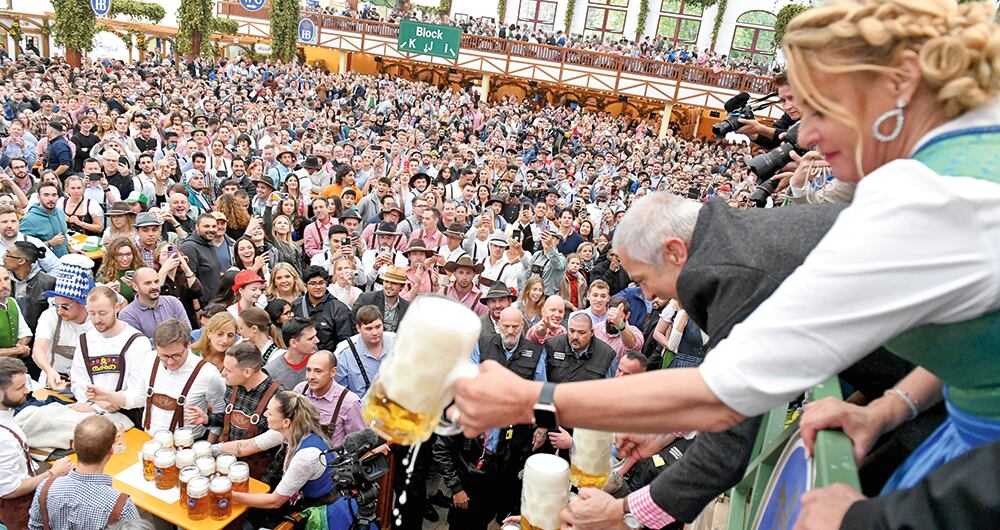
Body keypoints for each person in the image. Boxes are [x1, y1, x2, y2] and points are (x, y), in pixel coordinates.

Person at [215, 392, 372, 529]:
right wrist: (210, 450)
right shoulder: (290, 430)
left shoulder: (306, 457)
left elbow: (274, 501)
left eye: (269, 413)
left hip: (329, 513)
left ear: (286, 422)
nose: (264, 415)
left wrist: (228, 495)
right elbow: (245, 446)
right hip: (310, 501)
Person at [87, 318, 226, 439]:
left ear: (188, 344)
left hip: (189, 445)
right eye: (164, 356)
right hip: (150, 440)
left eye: (176, 355)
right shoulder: (149, 360)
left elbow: (221, 413)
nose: (170, 362)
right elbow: (137, 399)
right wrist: (107, 396)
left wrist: (209, 446)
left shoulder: (207, 373)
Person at [184, 342, 283, 480]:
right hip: (225, 467)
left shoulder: (278, 399)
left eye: (229, 370)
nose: (223, 373)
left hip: (255, 474)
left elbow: (283, 447)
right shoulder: (234, 385)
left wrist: (266, 484)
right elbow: (231, 418)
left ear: (247, 372)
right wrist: (208, 418)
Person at [27, 416, 139, 530]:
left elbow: (34, 527)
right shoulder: (121, 507)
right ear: (111, 449)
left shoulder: (45, 488)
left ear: (73, 445)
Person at [0, 358, 73, 530]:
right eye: (19, 388)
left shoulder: (7, 414)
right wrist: (52, 473)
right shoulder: (3, 438)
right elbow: (9, 489)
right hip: (16, 511)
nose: (27, 391)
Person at [70, 286, 152, 415]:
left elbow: (138, 392)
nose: (97, 320)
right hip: (90, 409)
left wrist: (112, 399)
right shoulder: (85, 339)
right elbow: (78, 380)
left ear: (117, 307)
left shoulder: (137, 342)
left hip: (127, 414)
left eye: (103, 313)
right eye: (92, 313)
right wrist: (99, 402)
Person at [33, 258, 94, 390]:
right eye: (56, 304)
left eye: (65, 306)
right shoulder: (50, 315)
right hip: (52, 384)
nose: (59, 311)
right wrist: (49, 371)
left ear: (83, 303)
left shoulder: (96, 320)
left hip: (86, 386)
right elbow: (38, 350)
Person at [294, 349, 366, 447]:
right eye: (308, 370)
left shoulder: (349, 402)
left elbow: (359, 443)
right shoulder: (300, 391)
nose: (311, 376)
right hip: (297, 458)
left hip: (331, 461)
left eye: (318, 371)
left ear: (333, 372)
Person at [334, 305, 397, 398]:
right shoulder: (345, 353)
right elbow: (339, 392)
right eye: (369, 328)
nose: (375, 332)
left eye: (378, 327)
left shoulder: (397, 343)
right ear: (358, 328)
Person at [293, 267, 353, 353]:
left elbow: (345, 341)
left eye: (321, 283)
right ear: (306, 285)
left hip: (329, 357)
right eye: (313, 284)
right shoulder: (296, 305)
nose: (318, 287)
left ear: (326, 284)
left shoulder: (338, 308)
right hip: (302, 357)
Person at [118, 268, 188, 339]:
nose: (154, 286)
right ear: (135, 287)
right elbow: (138, 344)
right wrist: (173, 337)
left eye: (156, 282)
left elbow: (187, 332)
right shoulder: (128, 314)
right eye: (148, 283)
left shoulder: (173, 302)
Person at [5, 241, 55, 334]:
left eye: (8, 254)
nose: (3, 257)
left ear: (21, 261)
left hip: (39, 337)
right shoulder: (4, 281)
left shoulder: (49, 283)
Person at [180, 214, 223, 307]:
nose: (211, 229)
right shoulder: (189, 247)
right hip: (202, 306)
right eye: (206, 226)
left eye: (214, 226)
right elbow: (189, 281)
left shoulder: (208, 244)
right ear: (197, 227)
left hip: (214, 303)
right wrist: (197, 308)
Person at [0, 206, 57, 274]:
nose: (9, 225)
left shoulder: (34, 243)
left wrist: (44, 284)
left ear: (19, 223)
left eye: (13, 221)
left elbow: (55, 267)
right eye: (4, 222)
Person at [352, 265, 409, 333]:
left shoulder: (407, 307)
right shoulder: (366, 299)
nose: (389, 286)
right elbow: (353, 322)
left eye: (394, 283)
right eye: (386, 281)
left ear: (402, 287)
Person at [265, 317, 319, 389]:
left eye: (315, 336)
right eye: (310, 339)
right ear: (293, 343)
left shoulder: (319, 360)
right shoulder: (272, 372)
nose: (317, 340)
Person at [19, 182, 69, 257]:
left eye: (54, 195)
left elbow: (63, 237)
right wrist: (50, 243)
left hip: (65, 260)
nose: (51, 199)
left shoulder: (60, 212)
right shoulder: (29, 220)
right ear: (39, 197)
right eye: (46, 195)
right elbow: (23, 248)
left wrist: (70, 248)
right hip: (43, 264)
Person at [592, 295, 644, 361]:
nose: (613, 321)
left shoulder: (635, 332)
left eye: (619, 317)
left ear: (627, 315)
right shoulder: (598, 328)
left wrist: (619, 325)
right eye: (610, 316)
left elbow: (631, 344)